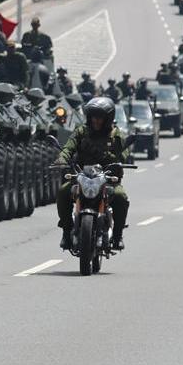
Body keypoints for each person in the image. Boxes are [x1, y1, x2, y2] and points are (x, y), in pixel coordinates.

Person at [54, 96, 131, 251]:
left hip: (108, 179)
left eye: (100, 117)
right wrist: (62, 158)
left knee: (121, 197)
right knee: (63, 192)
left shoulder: (116, 135)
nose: (96, 121)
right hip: (82, 176)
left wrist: (119, 160)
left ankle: (117, 236)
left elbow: (124, 152)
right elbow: (69, 147)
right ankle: (67, 231)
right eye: (94, 117)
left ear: (108, 118)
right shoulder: (82, 131)